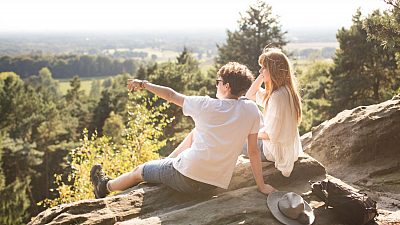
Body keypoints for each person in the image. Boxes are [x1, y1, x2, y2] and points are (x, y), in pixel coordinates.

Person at [90, 62, 278, 199]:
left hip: (186, 176)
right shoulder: (251, 110)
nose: (216, 84)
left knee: (140, 170)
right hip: (213, 184)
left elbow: (171, 95)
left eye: (218, 81)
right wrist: (261, 186)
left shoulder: (206, 105)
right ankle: (166, 162)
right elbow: (253, 150)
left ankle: (104, 186)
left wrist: (144, 84)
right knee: (195, 132)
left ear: (226, 86)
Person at [241, 48, 303, 177]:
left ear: (274, 70)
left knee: (234, 136)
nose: (260, 71)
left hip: (273, 151)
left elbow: (271, 135)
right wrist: (263, 75)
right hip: (284, 147)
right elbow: (249, 95)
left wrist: (245, 132)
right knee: (244, 102)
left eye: (264, 68)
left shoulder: (277, 97)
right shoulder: (285, 90)